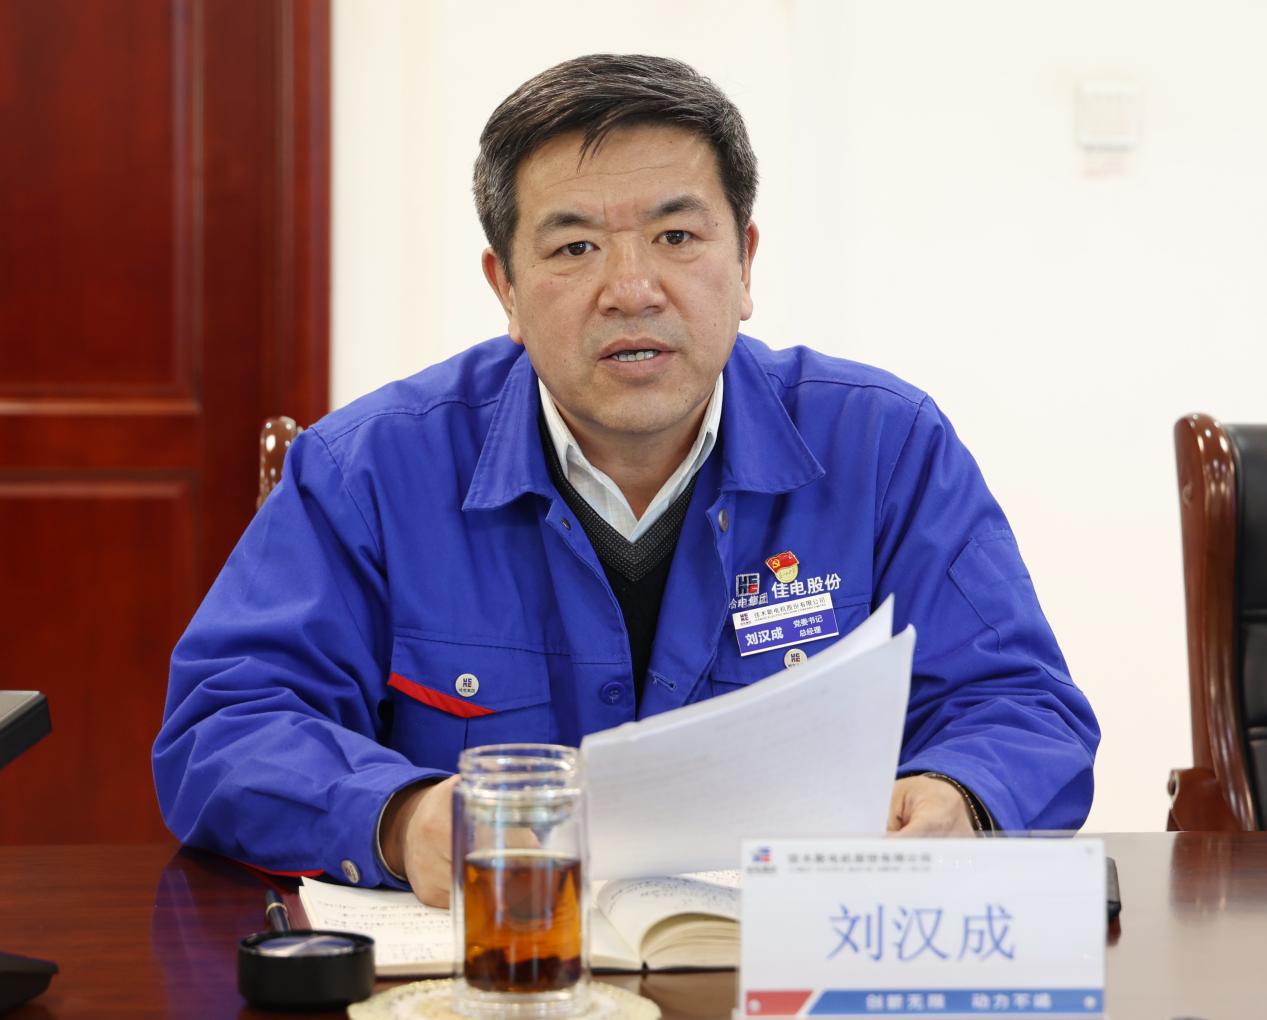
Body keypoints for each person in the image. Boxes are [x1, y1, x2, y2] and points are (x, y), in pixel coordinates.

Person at [153, 54, 1099, 907]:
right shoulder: (370, 469)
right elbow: (224, 726)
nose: (632, 289)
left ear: (744, 263)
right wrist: (398, 818)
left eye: (677, 237)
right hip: (496, 977)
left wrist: (961, 795)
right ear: (505, 288)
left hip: (793, 971)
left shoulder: (882, 447)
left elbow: (1020, 706)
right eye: (574, 248)